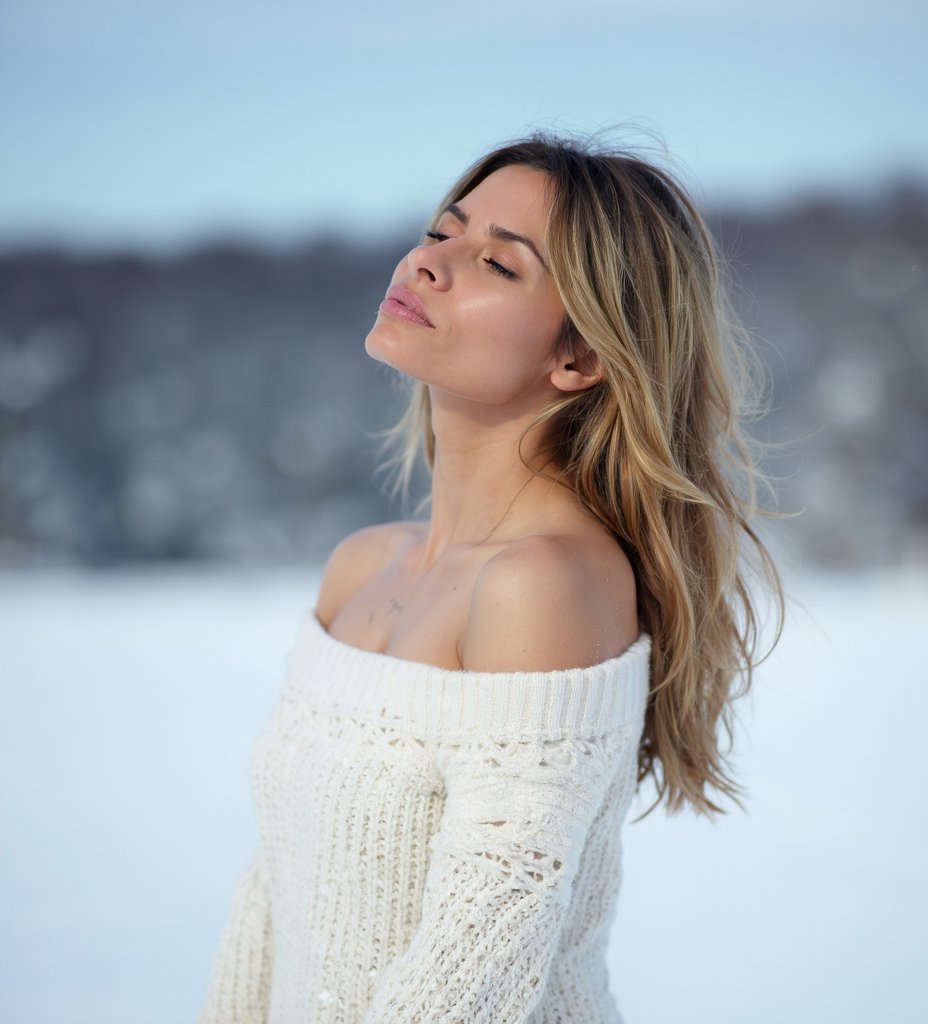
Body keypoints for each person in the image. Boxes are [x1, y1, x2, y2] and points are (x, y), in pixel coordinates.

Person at [198, 132, 783, 1023]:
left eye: (497, 265)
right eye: (443, 231)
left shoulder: (545, 587)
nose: (429, 263)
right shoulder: (360, 567)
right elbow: (273, 899)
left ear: (580, 358)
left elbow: (471, 971)